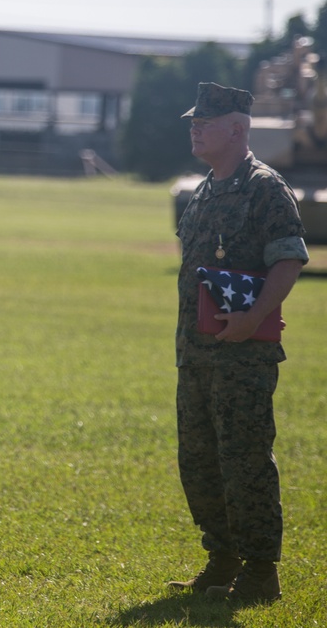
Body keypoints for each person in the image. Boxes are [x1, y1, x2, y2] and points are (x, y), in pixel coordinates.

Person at [167, 82, 308, 604]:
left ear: (238, 129)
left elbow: (288, 259)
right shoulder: (205, 188)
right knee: (199, 459)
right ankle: (221, 559)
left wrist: (255, 317)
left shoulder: (264, 187)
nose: (195, 128)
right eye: (193, 120)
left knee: (244, 458)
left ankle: (260, 573)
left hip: (243, 353)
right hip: (197, 351)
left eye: (207, 121)